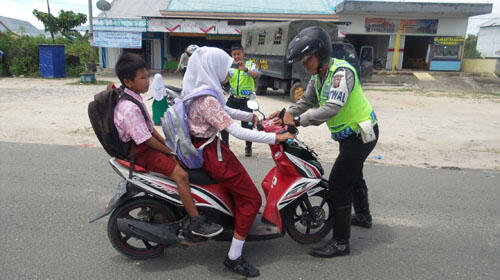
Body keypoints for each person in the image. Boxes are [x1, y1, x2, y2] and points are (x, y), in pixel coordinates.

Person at [182, 46, 293, 277]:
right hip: (213, 154)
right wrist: (275, 137)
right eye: (225, 68)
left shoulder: (200, 90)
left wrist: (250, 116)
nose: (228, 73)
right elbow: (237, 132)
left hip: (209, 148)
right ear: (212, 68)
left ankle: (235, 221)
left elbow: (225, 110)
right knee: (252, 200)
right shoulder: (206, 99)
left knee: (240, 192)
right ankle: (233, 257)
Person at [271, 26, 379, 258]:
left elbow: (332, 107)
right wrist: (286, 113)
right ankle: (363, 216)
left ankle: (341, 243)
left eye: (306, 59)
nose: (303, 64)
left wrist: (298, 121)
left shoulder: (341, 73)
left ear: (320, 55)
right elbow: (306, 101)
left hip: (361, 135)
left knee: (339, 185)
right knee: (354, 174)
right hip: (349, 135)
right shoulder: (318, 76)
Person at [113, 52, 222, 238]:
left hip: (144, 146)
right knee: (181, 175)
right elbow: (145, 139)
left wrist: (168, 145)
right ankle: (196, 220)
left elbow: (149, 128)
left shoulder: (134, 97)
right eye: (143, 78)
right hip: (140, 152)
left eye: (147, 76)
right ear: (128, 82)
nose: (147, 81)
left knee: (180, 161)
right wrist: (170, 151)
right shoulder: (129, 107)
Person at [220, 44, 259, 157]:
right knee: (223, 120)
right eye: (234, 54)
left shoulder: (251, 64)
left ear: (243, 53)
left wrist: (246, 70)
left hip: (246, 100)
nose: (236, 56)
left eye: (238, 54)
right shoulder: (230, 66)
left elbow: (256, 75)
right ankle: (226, 145)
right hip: (233, 98)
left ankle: (248, 148)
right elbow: (224, 79)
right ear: (231, 55)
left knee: (247, 125)